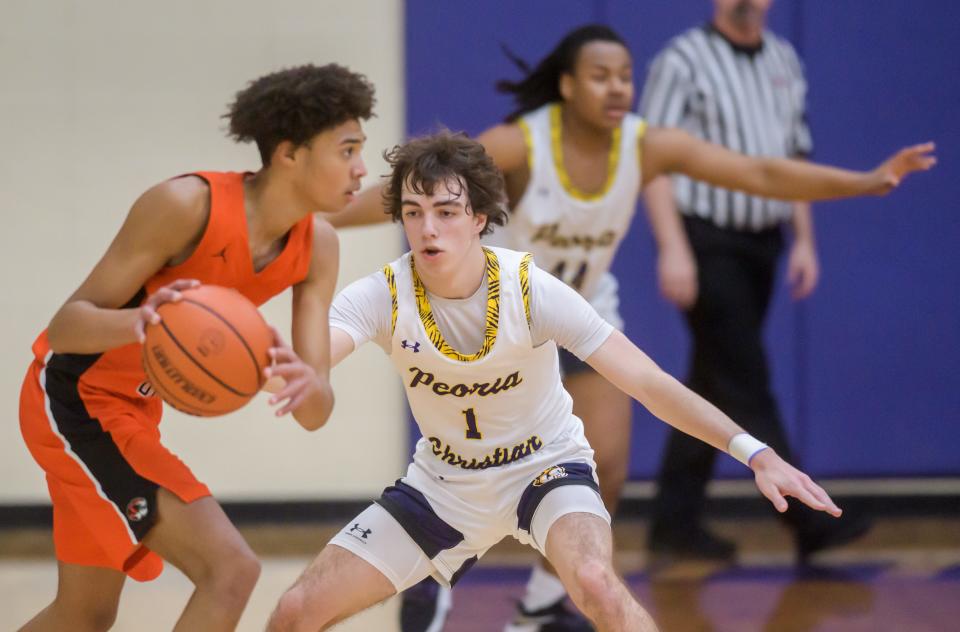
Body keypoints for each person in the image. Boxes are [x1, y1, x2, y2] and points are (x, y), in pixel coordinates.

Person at [325, 23, 934, 631]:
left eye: (625, 76)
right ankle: (436, 577)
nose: (617, 88)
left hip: (579, 308)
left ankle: (540, 604)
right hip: (498, 313)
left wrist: (865, 182)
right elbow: (401, 194)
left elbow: (761, 175)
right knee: (472, 463)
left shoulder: (645, 145)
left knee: (605, 466)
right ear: (566, 86)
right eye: (600, 76)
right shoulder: (519, 144)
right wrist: (299, 214)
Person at [267, 131, 850, 632]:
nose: (428, 227)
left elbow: (646, 380)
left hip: (544, 468)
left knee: (595, 582)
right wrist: (285, 363)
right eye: (414, 212)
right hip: (444, 481)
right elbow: (319, 354)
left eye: (445, 211)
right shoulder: (382, 294)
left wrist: (756, 453)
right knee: (295, 610)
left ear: (477, 219)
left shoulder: (529, 289)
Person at [17, 64, 374, 632]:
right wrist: (142, 322)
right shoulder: (186, 205)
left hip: (133, 409)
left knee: (82, 615)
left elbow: (315, 413)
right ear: (289, 153)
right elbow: (65, 328)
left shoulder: (318, 247)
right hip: (73, 400)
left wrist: (310, 385)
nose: (361, 169)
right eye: (347, 149)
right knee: (230, 570)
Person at [636, 0, 883, 563]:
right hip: (706, 238)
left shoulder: (785, 58)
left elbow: (790, 159)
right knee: (746, 378)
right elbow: (650, 162)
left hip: (762, 240)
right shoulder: (682, 59)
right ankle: (807, 519)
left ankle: (674, 523)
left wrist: (805, 239)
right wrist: (673, 248)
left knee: (713, 376)